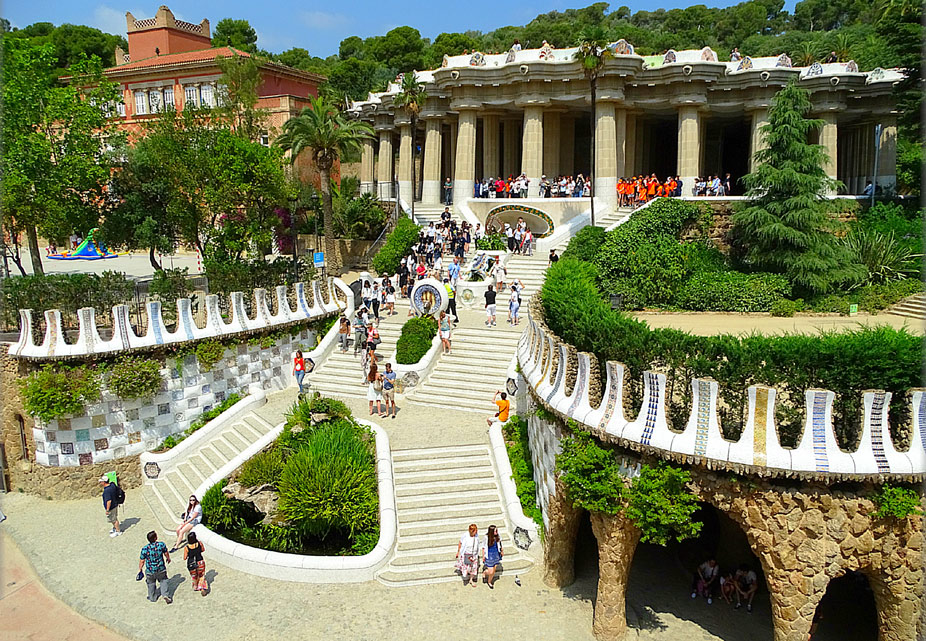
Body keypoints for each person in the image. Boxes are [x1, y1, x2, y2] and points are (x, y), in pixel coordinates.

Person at [139, 530, 172, 604]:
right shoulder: (161, 545)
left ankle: (152, 597)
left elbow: (142, 561)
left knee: (151, 583)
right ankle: (165, 595)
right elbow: (166, 553)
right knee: (163, 580)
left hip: (150, 570)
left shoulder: (145, 549)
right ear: (155, 538)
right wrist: (168, 558)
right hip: (160, 568)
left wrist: (140, 569)